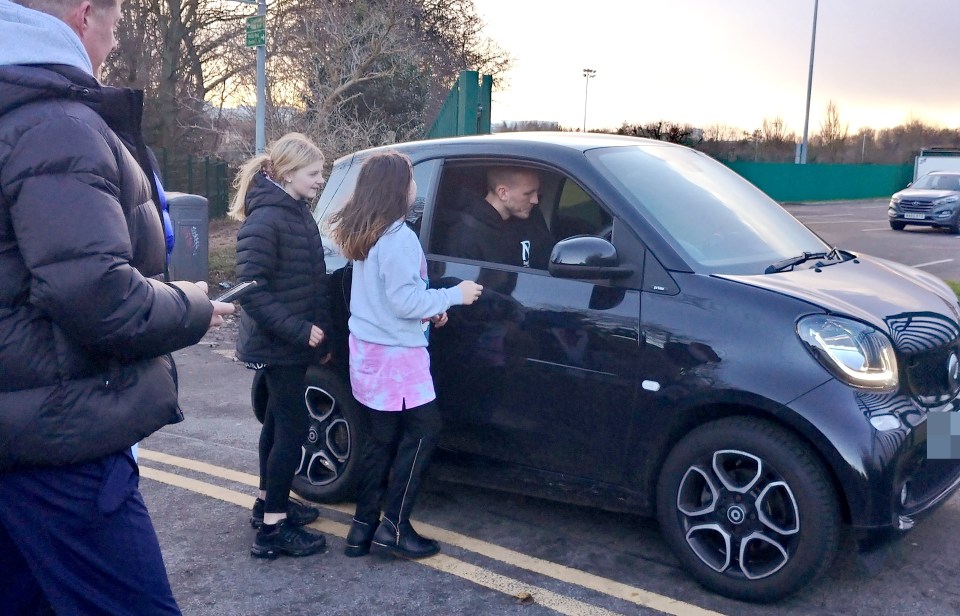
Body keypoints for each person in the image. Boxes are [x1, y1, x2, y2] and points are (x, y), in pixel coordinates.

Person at [0, 0, 235, 613]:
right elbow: (98, 296)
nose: (114, 39)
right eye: (115, 22)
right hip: (60, 443)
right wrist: (196, 305)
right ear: (83, 18)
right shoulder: (56, 125)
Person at [329, 150, 483, 559]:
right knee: (424, 431)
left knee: (380, 440)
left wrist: (429, 311)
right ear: (398, 189)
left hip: (370, 352)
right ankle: (395, 525)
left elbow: (386, 298)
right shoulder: (398, 238)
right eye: (411, 178)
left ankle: (362, 528)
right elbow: (403, 300)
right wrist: (455, 295)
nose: (416, 184)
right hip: (398, 359)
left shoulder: (367, 233)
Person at [229, 132, 332, 560]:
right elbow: (248, 289)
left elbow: (307, 279)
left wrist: (317, 330)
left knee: (275, 421)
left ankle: (265, 503)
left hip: (290, 340)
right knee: (289, 428)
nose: (320, 180)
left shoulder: (293, 211)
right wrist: (298, 330)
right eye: (313, 173)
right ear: (287, 173)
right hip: (278, 343)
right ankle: (272, 529)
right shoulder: (267, 219)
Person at [443, 167, 554, 268]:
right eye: (528, 194)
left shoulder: (531, 219)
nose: (535, 200)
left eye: (536, 192)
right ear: (503, 193)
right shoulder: (466, 237)